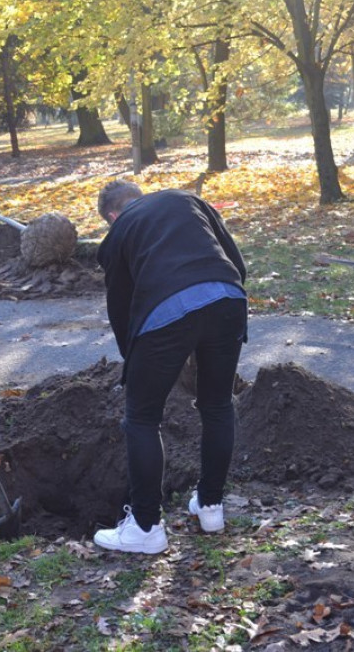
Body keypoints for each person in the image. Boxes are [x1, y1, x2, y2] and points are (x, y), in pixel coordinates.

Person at [92, 182, 248, 554]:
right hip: (228, 298)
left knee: (142, 418)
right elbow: (236, 261)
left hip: (166, 311)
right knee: (217, 405)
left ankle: (145, 527)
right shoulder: (187, 199)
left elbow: (121, 307)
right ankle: (211, 508)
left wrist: (134, 363)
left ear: (112, 216)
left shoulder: (118, 233)